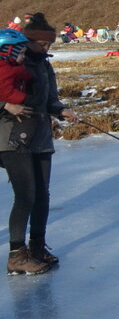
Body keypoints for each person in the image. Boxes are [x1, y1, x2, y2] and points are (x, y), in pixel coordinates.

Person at [2, 16, 79, 274]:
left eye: (49, 44)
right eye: (41, 44)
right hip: (13, 137)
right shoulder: (7, 61)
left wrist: (61, 110)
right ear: (27, 40)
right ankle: (16, 254)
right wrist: (4, 105)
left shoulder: (45, 66)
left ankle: (36, 247)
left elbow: (50, 99)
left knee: (42, 196)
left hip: (41, 136)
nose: (46, 49)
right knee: (25, 196)